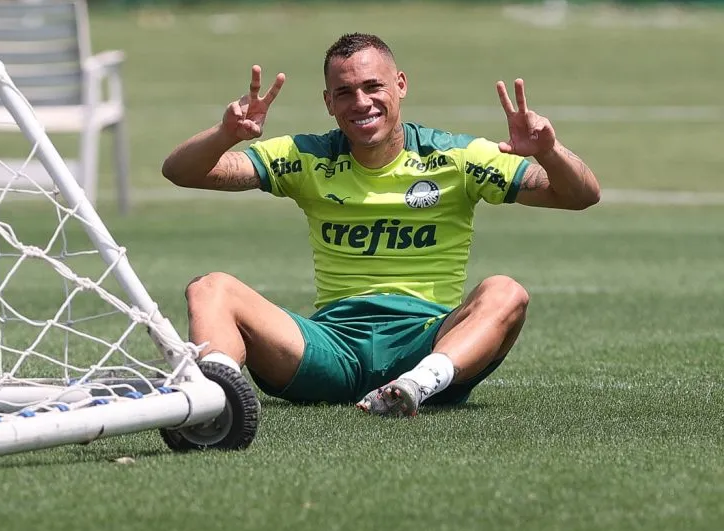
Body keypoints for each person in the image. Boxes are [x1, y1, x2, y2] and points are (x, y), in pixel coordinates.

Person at [161, 32, 600, 417]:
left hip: (426, 343)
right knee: (210, 288)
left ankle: (414, 387)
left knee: (506, 292)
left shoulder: (458, 157)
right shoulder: (304, 156)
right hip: (332, 348)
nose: (361, 102)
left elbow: (580, 195)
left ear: (400, 85)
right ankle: (212, 402)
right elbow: (182, 172)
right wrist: (225, 134)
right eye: (345, 92)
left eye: (373, 86)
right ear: (328, 102)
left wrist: (549, 152)